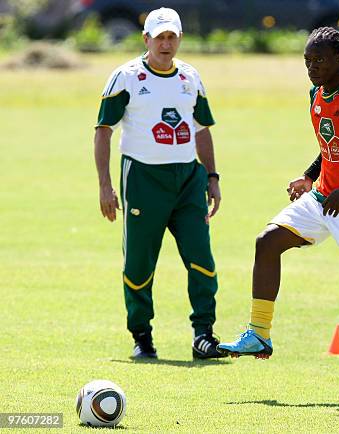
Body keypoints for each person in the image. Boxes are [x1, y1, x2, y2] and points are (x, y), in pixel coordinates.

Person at [217, 27, 339, 406]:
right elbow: (332, 145)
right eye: (307, 60)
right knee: (267, 242)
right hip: (323, 198)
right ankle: (259, 332)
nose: (312, 67)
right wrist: (310, 176)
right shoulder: (317, 92)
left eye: (319, 60)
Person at [94, 7, 226, 360]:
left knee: (202, 259)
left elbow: (202, 129)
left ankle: (203, 334)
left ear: (180, 38)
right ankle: (142, 336)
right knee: (139, 265)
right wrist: (105, 186)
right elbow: (103, 131)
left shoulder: (191, 77)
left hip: (188, 181)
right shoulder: (126, 77)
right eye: (160, 37)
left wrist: (212, 177)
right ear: (146, 39)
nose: (166, 44)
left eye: (172, 37)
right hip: (142, 179)